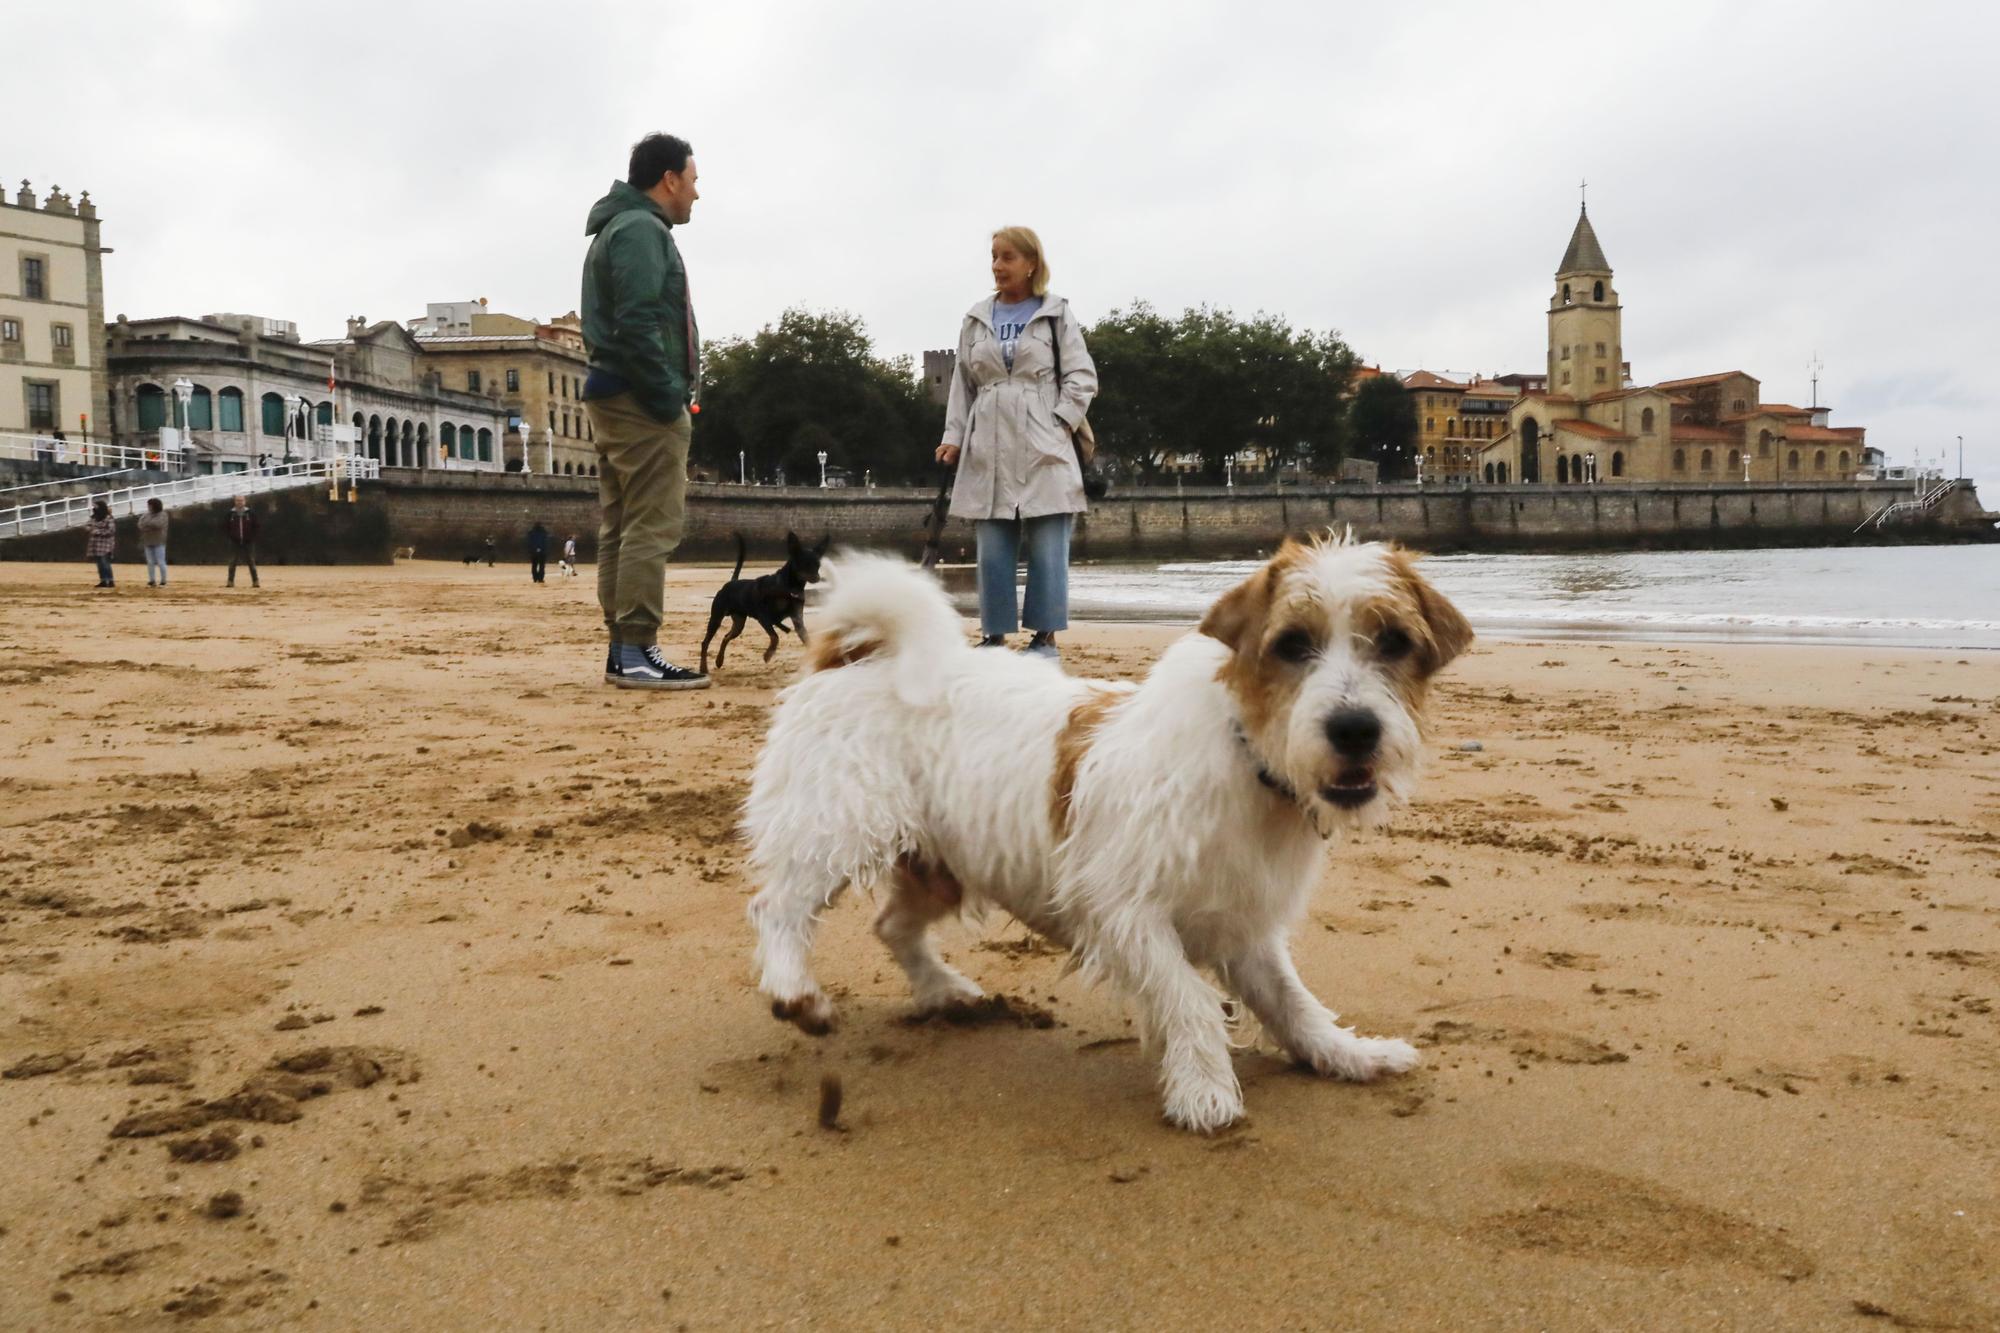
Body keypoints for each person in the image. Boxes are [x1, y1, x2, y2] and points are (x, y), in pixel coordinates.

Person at [579, 132, 709, 690]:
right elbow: (637, 322)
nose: (698, 194)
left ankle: (624, 649)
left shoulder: (621, 227)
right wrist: (667, 398)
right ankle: (636, 650)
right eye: (694, 180)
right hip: (639, 399)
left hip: (615, 392)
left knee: (623, 525)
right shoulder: (638, 230)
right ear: (669, 179)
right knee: (650, 527)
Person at [936, 225, 1097, 661]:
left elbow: (1082, 376)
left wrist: (1059, 422)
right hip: (987, 438)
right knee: (992, 544)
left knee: (1048, 543)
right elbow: (962, 385)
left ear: (1031, 263)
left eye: (1008, 257)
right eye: (994, 256)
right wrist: (953, 437)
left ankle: (1044, 636)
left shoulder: (1056, 313)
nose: (998, 265)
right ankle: (994, 634)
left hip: (1044, 438)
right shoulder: (975, 318)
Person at [224, 494, 260, 588]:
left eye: (241, 500)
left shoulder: (251, 513)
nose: (239, 502)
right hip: (234, 541)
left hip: (248, 542)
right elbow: (225, 527)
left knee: (251, 561)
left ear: (245, 501)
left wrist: (251, 537)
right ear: (234, 502)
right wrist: (231, 536)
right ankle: (230, 582)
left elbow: (256, 526)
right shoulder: (230, 514)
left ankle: (255, 581)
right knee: (232, 562)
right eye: (237, 500)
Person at [138, 497, 169, 588]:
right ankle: (152, 580)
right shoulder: (146, 514)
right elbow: (140, 524)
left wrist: (147, 524)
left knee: (160, 562)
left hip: (159, 541)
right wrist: (148, 525)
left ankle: (163, 581)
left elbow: (158, 524)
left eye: (150, 505)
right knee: (150, 562)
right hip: (147, 540)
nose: (148, 507)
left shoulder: (163, 515)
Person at [85, 500, 116, 588]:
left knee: (105, 563)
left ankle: (110, 580)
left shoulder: (108, 518)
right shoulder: (94, 517)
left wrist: (97, 531)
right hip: (95, 544)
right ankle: (103, 580)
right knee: (99, 563)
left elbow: (111, 531)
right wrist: (89, 529)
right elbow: (87, 525)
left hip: (105, 544)